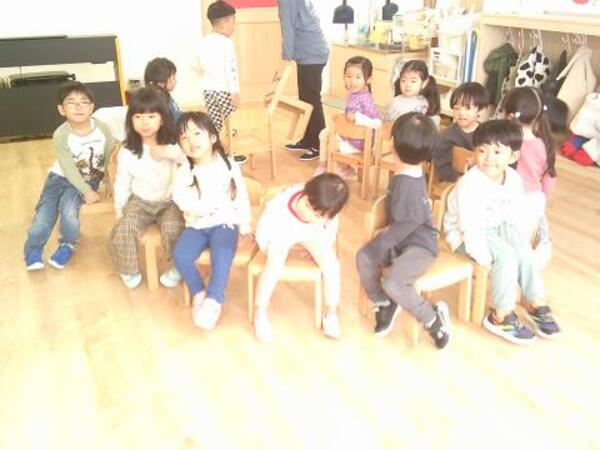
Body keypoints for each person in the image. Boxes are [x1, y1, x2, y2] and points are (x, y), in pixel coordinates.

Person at [443, 120, 561, 344]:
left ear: (513, 156)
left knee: (522, 250)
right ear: (475, 151)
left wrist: (518, 242)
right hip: (464, 234)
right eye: (482, 150)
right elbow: (470, 227)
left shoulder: (513, 179)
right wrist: (485, 258)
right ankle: (500, 315)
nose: (489, 158)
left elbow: (514, 215)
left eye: (497, 152)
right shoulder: (470, 184)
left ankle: (535, 300)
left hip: (496, 226)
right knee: (506, 257)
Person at [356, 112, 450, 349]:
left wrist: (382, 240)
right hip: (401, 240)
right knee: (364, 257)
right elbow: (404, 218)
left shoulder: (408, 182)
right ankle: (384, 303)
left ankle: (432, 318)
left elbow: (408, 222)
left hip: (420, 247)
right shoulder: (407, 173)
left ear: (393, 144)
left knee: (393, 283)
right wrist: (385, 236)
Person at [172, 112, 252, 331]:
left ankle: (214, 300)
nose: (191, 141)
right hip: (197, 224)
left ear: (213, 138)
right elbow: (181, 199)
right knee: (181, 255)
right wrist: (203, 208)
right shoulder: (183, 171)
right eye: (184, 137)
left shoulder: (228, 165)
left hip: (224, 222)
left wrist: (245, 224)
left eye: (197, 134)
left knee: (222, 254)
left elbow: (241, 196)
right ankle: (199, 292)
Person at [24, 82, 116, 270]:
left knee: (68, 212)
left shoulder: (103, 129)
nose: (78, 106)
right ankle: (33, 249)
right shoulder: (61, 134)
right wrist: (87, 191)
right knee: (44, 215)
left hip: (87, 180)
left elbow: (109, 157)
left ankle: (68, 244)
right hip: (59, 177)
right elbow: (67, 167)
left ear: (92, 107)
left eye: (84, 102)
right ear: (61, 109)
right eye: (71, 102)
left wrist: (107, 182)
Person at [252, 173, 349, 342]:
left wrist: (319, 247)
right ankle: (259, 312)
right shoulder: (279, 205)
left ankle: (331, 313)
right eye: (307, 205)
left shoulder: (328, 213)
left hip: (312, 234)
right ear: (305, 192)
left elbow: (330, 231)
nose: (309, 214)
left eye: (318, 215)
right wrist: (270, 248)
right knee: (274, 265)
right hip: (281, 233)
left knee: (332, 266)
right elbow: (263, 230)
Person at [107, 87, 186, 289]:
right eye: (138, 116)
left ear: (162, 119)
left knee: (174, 228)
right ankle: (128, 269)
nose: (144, 122)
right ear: (131, 121)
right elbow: (122, 183)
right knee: (124, 228)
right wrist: (119, 210)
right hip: (140, 202)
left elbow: (189, 160)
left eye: (151, 116)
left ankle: (179, 268)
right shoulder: (127, 152)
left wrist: (168, 152)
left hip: (170, 202)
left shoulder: (173, 145)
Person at [503, 86, 564, 270]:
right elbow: (549, 180)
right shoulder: (544, 144)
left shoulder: (504, 141)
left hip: (506, 199)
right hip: (532, 201)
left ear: (508, 115)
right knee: (542, 234)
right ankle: (537, 256)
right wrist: (542, 202)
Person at [195, 0, 246, 164]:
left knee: (215, 123)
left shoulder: (203, 41)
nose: (233, 26)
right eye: (233, 21)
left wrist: (206, 74)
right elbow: (231, 70)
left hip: (208, 89)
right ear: (223, 23)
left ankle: (215, 152)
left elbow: (194, 63)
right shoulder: (226, 43)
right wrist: (235, 92)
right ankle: (233, 153)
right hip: (225, 91)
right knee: (232, 122)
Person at [278, 0, 329, 162]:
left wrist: (287, 55)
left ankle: (320, 145)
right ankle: (309, 139)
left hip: (311, 53)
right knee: (306, 100)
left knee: (312, 101)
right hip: (310, 52)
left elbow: (288, 26)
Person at [314, 56, 381, 177]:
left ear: (368, 79)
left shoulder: (366, 99)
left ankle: (339, 169)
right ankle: (323, 165)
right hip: (348, 136)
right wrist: (342, 116)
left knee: (332, 141)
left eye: (358, 77)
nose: (352, 81)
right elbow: (349, 111)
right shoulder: (351, 94)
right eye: (348, 77)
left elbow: (377, 122)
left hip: (359, 143)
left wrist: (356, 118)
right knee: (323, 134)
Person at [432, 82, 490, 182]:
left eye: (467, 108)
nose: (461, 113)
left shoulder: (488, 135)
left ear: (481, 110)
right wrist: (461, 180)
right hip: (457, 183)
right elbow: (441, 166)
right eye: (456, 108)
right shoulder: (446, 136)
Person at [384, 60, 440, 126]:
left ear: (424, 83)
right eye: (403, 80)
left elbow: (434, 121)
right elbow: (388, 122)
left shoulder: (427, 102)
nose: (407, 85)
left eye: (413, 81)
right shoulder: (396, 101)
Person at [144, 57, 181, 123]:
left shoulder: (166, 97)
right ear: (161, 82)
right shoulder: (162, 101)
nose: (175, 81)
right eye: (173, 78)